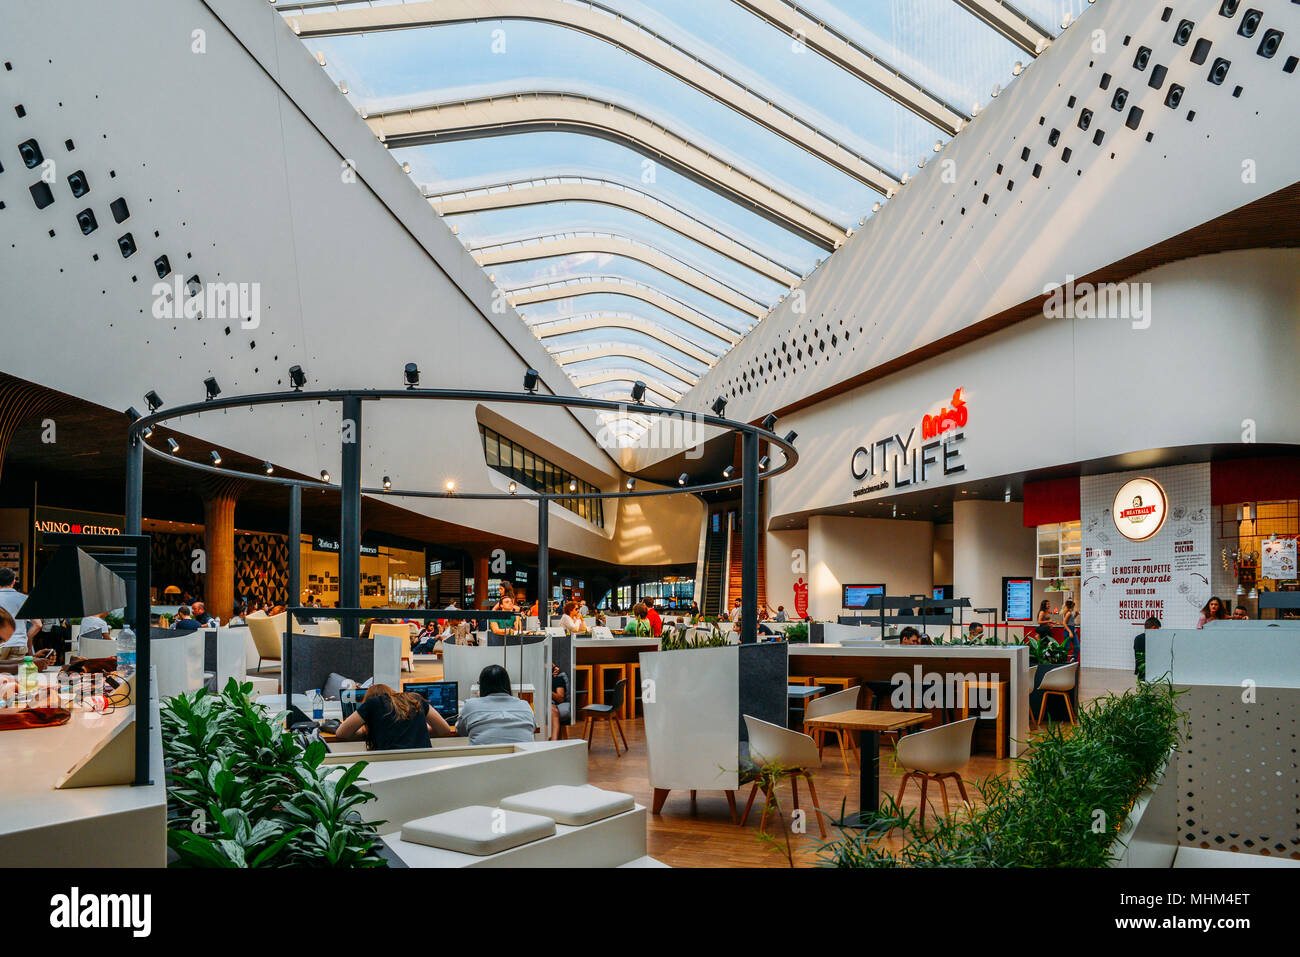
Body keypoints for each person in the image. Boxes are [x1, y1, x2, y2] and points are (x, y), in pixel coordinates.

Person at [333, 683, 452, 751]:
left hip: (390, 766)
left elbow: (341, 733)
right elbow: (444, 729)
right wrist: (417, 729)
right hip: (423, 764)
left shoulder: (372, 703)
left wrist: (366, 730)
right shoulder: (415, 699)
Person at [457, 665, 536, 744]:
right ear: (508, 684)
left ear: (482, 686)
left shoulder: (471, 705)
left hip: (484, 755)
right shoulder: (525, 705)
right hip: (524, 755)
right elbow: (533, 728)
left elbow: (461, 731)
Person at [0, 568, 41, 660]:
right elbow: (38, 624)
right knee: (15, 673)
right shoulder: (24, 599)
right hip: (19, 645)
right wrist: (27, 637)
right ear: (13, 582)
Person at [1133, 616, 1159, 681]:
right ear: (1153, 628)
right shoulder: (1154, 639)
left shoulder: (1138, 638)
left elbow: (1138, 657)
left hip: (1142, 670)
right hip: (1149, 671)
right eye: (1158, 629)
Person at [549, 662, 569, 740]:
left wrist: (547, 690)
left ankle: (553, 743)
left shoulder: (558, 679)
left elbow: (560, 699)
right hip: (532, 699)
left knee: (553, 711)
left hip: (549, 702)